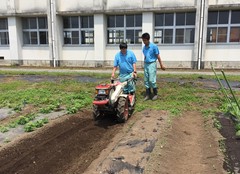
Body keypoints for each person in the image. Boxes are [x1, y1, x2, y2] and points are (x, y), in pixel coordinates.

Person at [141, 32, 165, 101]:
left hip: (152, 64)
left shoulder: (154, 46)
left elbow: (158, 56)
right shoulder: (144, 48)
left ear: (148, 39)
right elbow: (145, 56)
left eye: (145, 40)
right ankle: (148, 94)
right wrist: (144, 63)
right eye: (143, 40)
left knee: (151, 79)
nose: (144, 42)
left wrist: (161, 65)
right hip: (146, 64)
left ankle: (155, 94)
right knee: (146, 80)